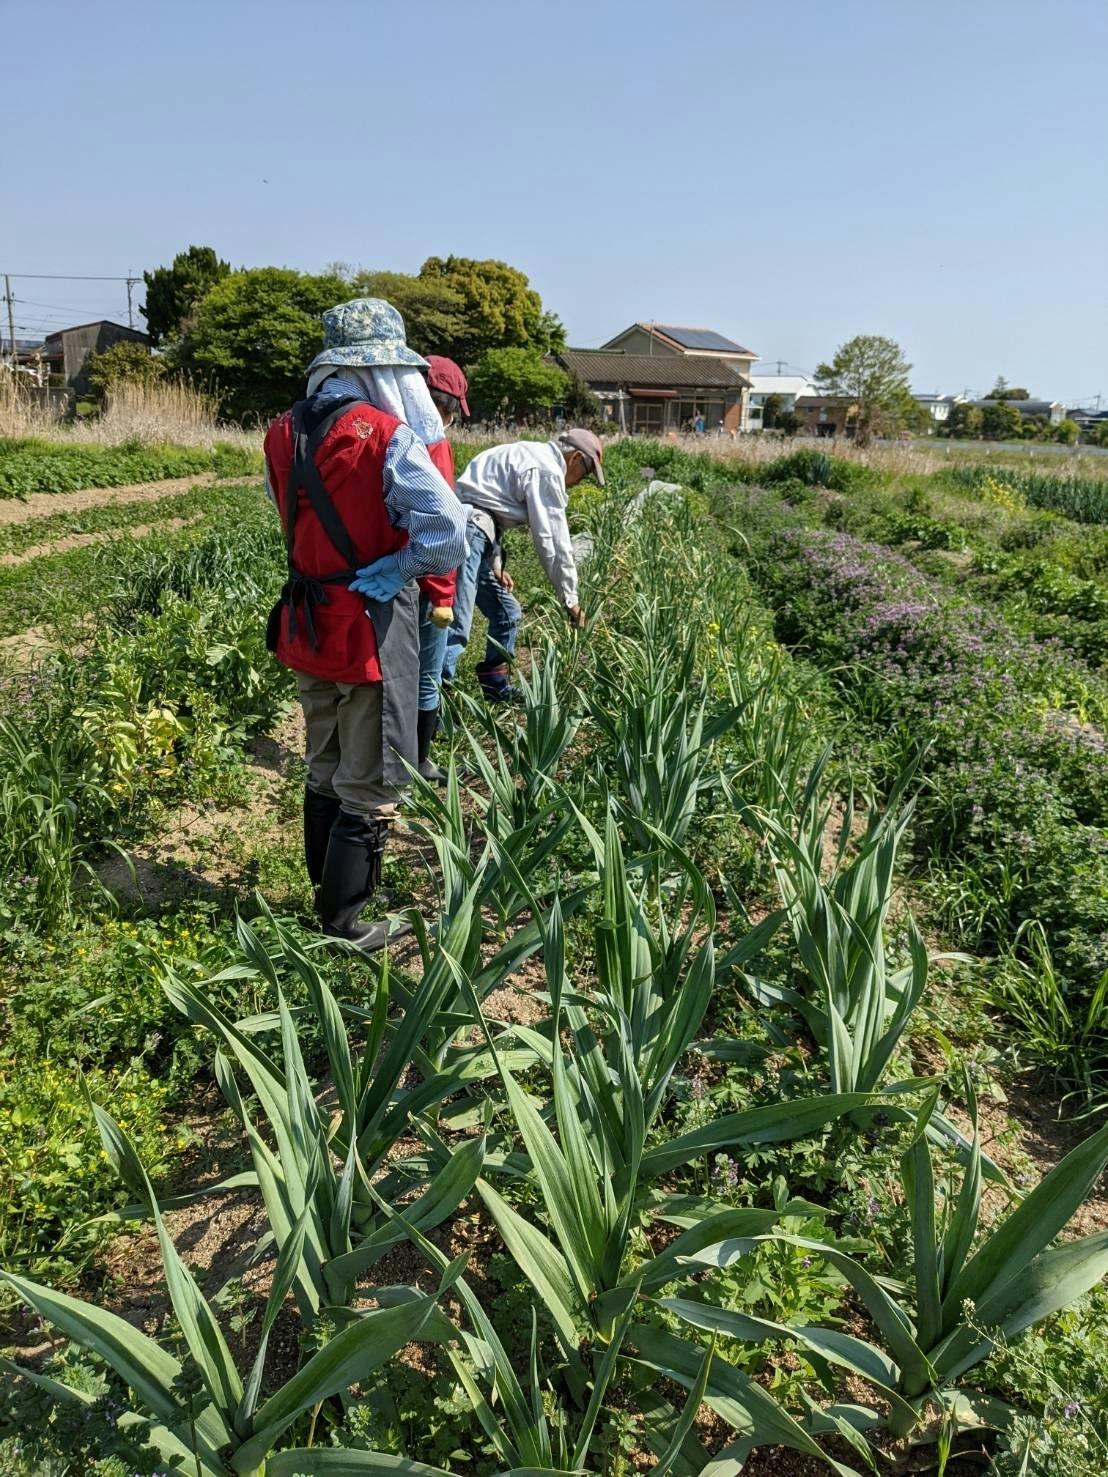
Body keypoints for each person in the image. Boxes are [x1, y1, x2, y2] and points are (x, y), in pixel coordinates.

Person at [263, 298, 466, 952]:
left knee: (323, 763)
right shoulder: (383, 434)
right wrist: (401, 564)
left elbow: (290, 513)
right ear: (383, 369)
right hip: (369, 627)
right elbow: (449, 530)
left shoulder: (281, 430)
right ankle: (344, 920)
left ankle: (323, 894)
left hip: (308, 622)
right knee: (372, 776)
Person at [440, 429, 603, 702]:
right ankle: (436, 706)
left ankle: (495, 686)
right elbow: (553, 542)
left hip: (475, 532)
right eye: (584, 474)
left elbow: (489, 505)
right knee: (457, 623)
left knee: (507, 611)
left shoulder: (530, 453)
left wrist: (495, 563)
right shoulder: (546, 470)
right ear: (575, 457)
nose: (577, 483)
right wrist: (570, 600)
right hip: (469, 535)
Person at [415, 355, 469, 782]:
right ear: (442, 406)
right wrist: (442, 594)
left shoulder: (380, 427)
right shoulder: (432, 441)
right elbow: (443, 524)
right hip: (422, 578)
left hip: (374, 574)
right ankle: (417, 762)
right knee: (425, 676)